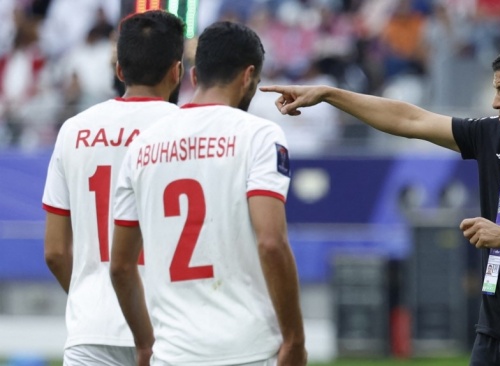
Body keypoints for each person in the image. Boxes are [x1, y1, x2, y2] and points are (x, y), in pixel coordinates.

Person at [261, 41, 500, 366]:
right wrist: (329, 94)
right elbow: (410, 120)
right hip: (494, 335)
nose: (495, 102)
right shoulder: (497, 136)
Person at [110, 21, 307, 366]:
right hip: (247, 350)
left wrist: (146, 345)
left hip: (172, 354)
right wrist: (294, 339)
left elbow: (121, 266)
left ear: (195, 76)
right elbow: (271, 242)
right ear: (248, 76)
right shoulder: (259, 135)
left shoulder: (142, 145)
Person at [42, 10, 185, 366]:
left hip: (91, 331)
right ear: (177, 71)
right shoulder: (189, 132)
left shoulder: (73, 130)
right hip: (173, 331)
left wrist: (90, 295)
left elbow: (55, 252)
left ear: (119, 70)